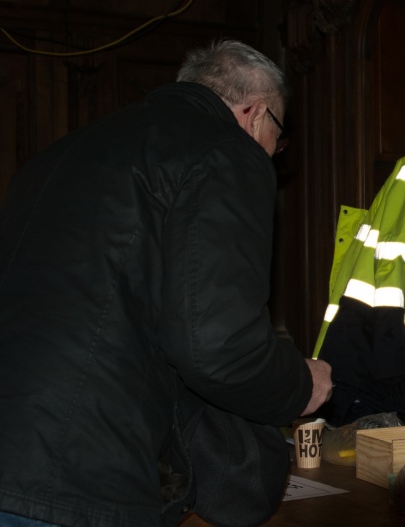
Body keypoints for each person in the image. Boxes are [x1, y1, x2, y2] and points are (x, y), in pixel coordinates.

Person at [0, 39, 333, 527]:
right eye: (276, 140)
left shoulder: (55, 156)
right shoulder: (226, 151)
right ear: (255, 114)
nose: (272, 155)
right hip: (78, 475)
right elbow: (219, 347)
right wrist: (299, 384)